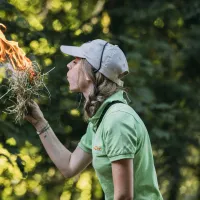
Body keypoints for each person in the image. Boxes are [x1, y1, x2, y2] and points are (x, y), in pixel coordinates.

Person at [25, 39, 163, 200]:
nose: (69, 65)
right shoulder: (102, 120)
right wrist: (39, 122)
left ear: (90, 72)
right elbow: (69, 166)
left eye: (76, 62)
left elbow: (124, 197)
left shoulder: (117, 119)